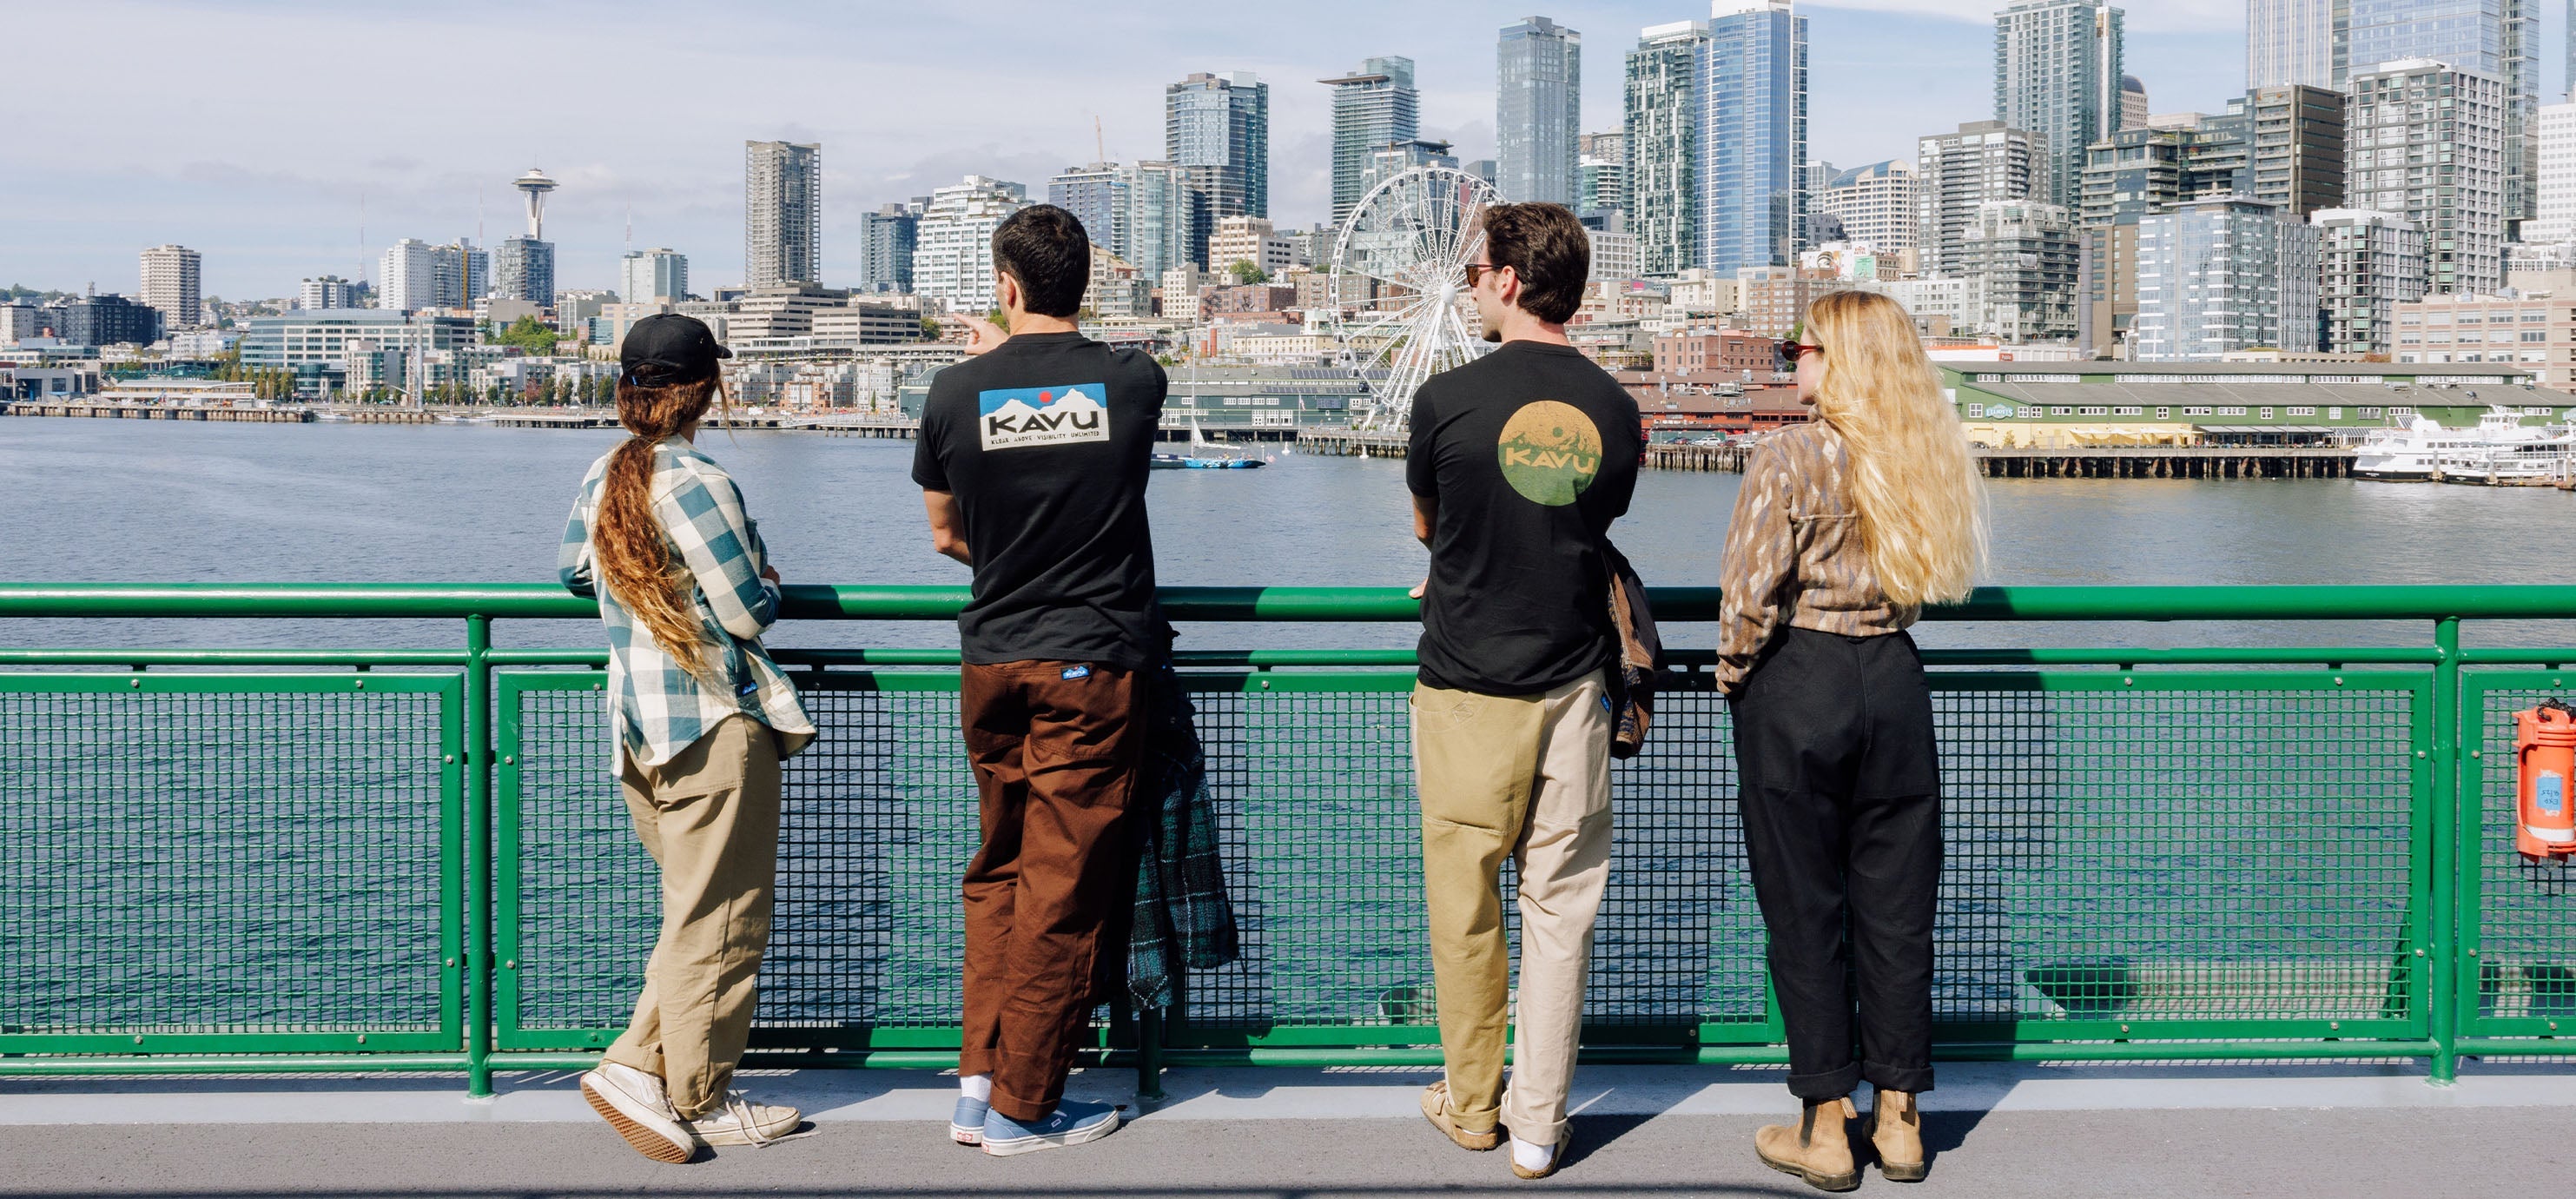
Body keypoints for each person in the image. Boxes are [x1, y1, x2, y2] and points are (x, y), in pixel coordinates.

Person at [1714, 290, 1986, 1191]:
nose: (1794, 359)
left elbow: (1749, 594)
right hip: (1896, 683)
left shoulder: (1788, 454)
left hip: (1801, 677)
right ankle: (1900, 1120)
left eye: (1806, 346)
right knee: (1898, 911)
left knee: (1804, 911)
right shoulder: (1921, 455)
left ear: (1840, 361)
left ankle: (1824, 1127)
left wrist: (1733, 674)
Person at [911, 203, 1166, 1157]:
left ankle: (979, 1084)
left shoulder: (951, 393)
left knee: (1001, 871)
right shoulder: (1133, 381)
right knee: (1063, 885)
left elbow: (946, 534)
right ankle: (1025, 1108)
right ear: (1084, 284)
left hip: (993, 659)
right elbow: (1081, 385)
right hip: (1091, 665)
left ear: (1005, 286)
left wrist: (993, 358)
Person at [1404, 201, 1641, 1182]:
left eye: (1474, 271)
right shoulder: (1615, 409)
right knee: (1559, 911)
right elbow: (1591, 526)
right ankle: (1539, 1127)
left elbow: (1430, 526)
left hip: (1465, 688)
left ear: (1506, 280)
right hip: (1575, 689)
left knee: (1467, 910)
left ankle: (1471, 1108)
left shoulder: (1444, 401)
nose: (1469, 286)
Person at [558, 313, 818, 1163]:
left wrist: (648, 585)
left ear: (625, 389)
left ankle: (652, 1076)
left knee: (695, 914)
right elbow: (746, 610)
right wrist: (769, 580)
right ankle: (691, 1095)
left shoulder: (604, 474)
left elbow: (572, 571)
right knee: (724, 921)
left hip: (640, 729)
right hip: (712, 724)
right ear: (708, 389)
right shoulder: (698, 480)